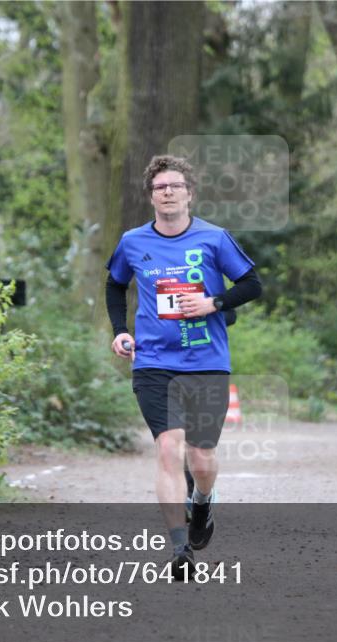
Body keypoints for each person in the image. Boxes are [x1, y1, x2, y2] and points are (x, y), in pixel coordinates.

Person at [105, 155, 262, 579]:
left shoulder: (214, 238)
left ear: (189, 193)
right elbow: (116, 284)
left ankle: (203, 505)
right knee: (169, 449)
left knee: (201, 455)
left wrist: (213, 302)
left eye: (175, 186)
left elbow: (252, 284)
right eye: (160, 188)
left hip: (208, 362)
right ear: (151, 196)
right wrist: (120, 330)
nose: (168, 192)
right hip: (154, 363)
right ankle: (179, 550)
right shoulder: (133, 242)